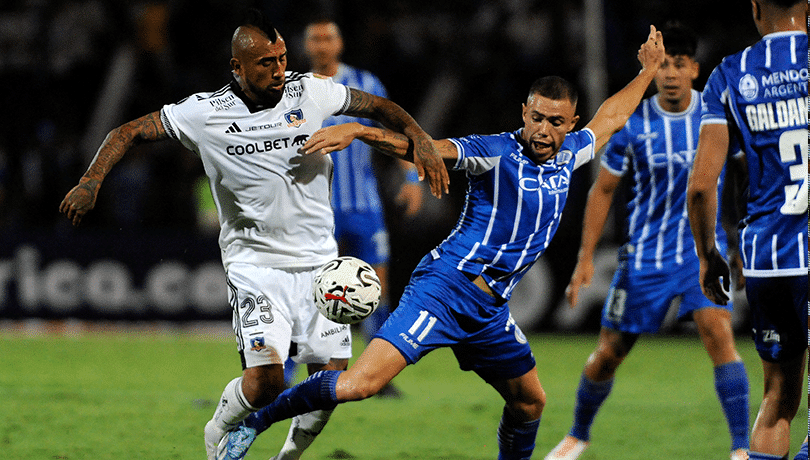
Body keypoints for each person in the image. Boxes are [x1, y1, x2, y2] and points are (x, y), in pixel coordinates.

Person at [213, 25, 666, 460]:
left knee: (530, 402)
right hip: (447, 289)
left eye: (556, 122)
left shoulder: (570, 153)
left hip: (489, 312)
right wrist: (360, 131)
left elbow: (612, 116)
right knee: (358, 386)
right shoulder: (496, 152)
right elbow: (427, 148)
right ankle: (252, 424)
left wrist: (647, 72)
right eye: (537, 118)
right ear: (523, 113)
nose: (544, 131)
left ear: (571, 124)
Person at [57, 9, 450, 460]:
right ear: (237, 68)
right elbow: (127, 132)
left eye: (282, 57)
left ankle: (286, 457)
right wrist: (90, 181)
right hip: (256, 266)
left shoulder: (310, 91)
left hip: (322, 266)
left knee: (329, 380)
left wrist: (419, 136)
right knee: (267, 382)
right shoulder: (203, 112)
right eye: (266, 62)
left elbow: (379, 107)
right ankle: (220, 431)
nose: (280, 69)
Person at [544, 22, 751, 460]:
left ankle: (740, 449)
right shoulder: (635, 124)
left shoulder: (716, 118)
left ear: (695, 69)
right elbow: (603, 190)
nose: (671, 73)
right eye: (666, 65)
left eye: (680, 64)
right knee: (608, 353)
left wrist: (737, 244)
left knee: (720, 336)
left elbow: (740, 181)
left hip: (701, 257)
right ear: (655, 71)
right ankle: (577, 434)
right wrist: (584, 258)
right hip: (644, 260)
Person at [687, 1, 808, 459]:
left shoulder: (729, 75)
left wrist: (708, 255)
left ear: (756, 8)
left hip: (769, 259)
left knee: (776, 403)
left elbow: (701, 187)